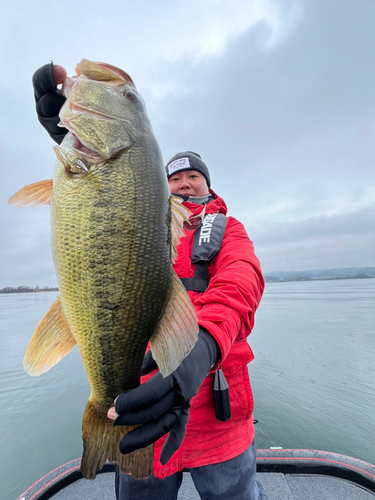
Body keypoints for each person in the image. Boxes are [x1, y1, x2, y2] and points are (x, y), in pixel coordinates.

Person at [32, 63, 268, 500]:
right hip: (144, 408)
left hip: (219, 412)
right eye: (174, 177)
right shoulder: (145, 218)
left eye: (193, 176)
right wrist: (73, 142)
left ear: (207, 185)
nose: (183, 182)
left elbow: (242, 286)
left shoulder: (229, 230)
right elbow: (107, 207)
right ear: (159, 185)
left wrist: (204, 348)